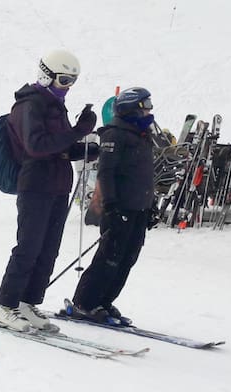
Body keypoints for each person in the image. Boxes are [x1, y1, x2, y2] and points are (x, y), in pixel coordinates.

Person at [0, 49, 97, 332]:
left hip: (58, 185)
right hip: (35, 185)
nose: (67, 87)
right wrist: (78, 131)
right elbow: (37, 146)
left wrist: (84, 148)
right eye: (63, 80)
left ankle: (27, 301)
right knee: (29, 247)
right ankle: (5, 305)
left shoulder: (53, 105)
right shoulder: (29, 106)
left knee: (49, 250)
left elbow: (57, 146)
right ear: (46, 75)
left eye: (72, 81)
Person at [67, 87, 156, 326]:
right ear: (131, 107)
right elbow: (105, 173)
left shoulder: (142, 134)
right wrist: (111, 206)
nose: (149, 108)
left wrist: (151, 205)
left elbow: (145, 174)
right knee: (110, 257)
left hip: (138, 207)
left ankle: (103, 301)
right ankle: (85, 303)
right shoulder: (116, 134)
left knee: (128, 257)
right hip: (120, 207)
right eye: (144, 104)